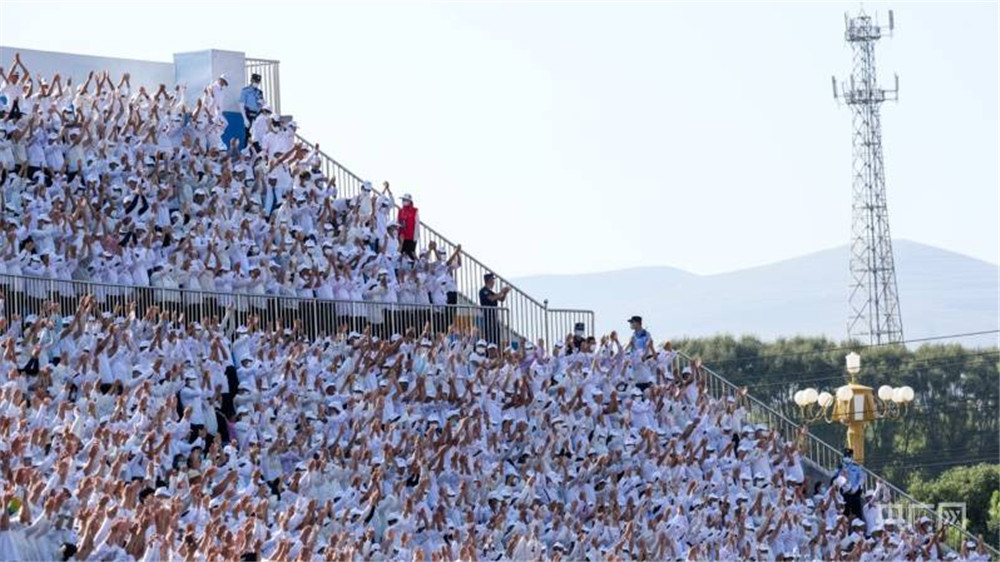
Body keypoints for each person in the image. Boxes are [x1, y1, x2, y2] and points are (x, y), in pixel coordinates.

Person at [478, 272, 509, 344]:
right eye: (493, 280)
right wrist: (501, 292)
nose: (494, 282)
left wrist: (504, 293)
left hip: (494, 318)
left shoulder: (490, 292)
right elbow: (492, 298)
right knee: (489, 338)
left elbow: (501, 299)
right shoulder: (483, 291)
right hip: (488, 319)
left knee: (496, 337)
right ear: (489, 280)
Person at [836, 447, 866, 522]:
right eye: (845, 455)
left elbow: (862, 478)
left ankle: (859, 530)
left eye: (849, 456)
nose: (847, 457)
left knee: (857, 514)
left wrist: (856, 487)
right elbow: (836, 479)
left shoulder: (856, 467)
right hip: (844, 494)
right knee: (844, 514)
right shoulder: (840, 467)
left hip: (854, 493)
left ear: (852, 457)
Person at [239, 73, 265, 144]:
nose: (257, 83)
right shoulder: (245, 90)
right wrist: (245, 118)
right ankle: (247, 152)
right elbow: (241, 104)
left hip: (257, 115)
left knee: (257, 134)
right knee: (248, 135)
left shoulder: (259, 92)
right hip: (248, 114)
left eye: (258, 82)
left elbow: (262, 105)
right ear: (252, 80)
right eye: (256, 81)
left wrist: (262, 102)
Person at [397, 192, 419, 260]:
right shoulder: (400, 211)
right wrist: (398, 234)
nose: (403, 201)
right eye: (403, 200)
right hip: (402, 237)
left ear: (410, 201)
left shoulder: (415, 211)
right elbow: (398, 222)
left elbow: (417, 224)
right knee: (401, 254)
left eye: (405, 200)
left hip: (411, 237)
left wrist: (415, 237)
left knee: (410, 255)